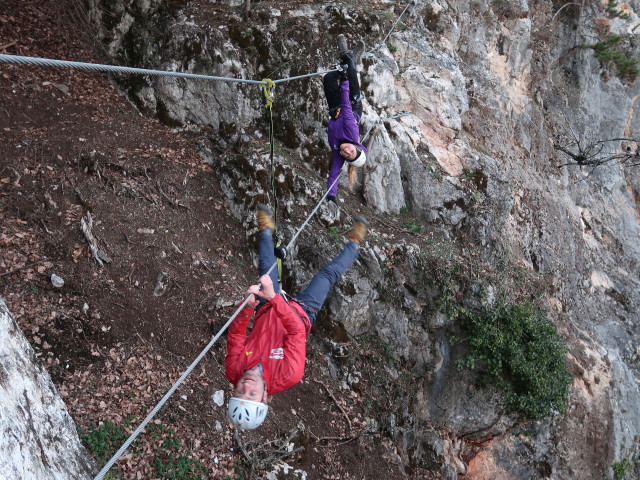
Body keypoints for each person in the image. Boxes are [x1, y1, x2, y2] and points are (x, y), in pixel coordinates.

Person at [225, 204, 368, 429]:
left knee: (265, 267)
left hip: (266, 309)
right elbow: (295, 331)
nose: (247, 385)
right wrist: (274, 298)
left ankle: (265, 229)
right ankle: (354, 243)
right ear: (264, 398)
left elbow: (236, 335)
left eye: (240, 391)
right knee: (327, 276)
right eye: (252, 393)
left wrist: (247, 309)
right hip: (302, 313)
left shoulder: (234, 369)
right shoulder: (289, 374)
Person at [323, 47, 367, 220]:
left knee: (328, 79)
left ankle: (346, 61)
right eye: (352, 151)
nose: (347, 151)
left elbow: (334, 174)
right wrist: (345, 80)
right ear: (356, 146)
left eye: (347, 156)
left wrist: (331, 197)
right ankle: (348, 55)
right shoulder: (352, 130)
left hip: (336, 111)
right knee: (348, 66)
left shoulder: (338, 152)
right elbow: (346, 105)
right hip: (351, 105)